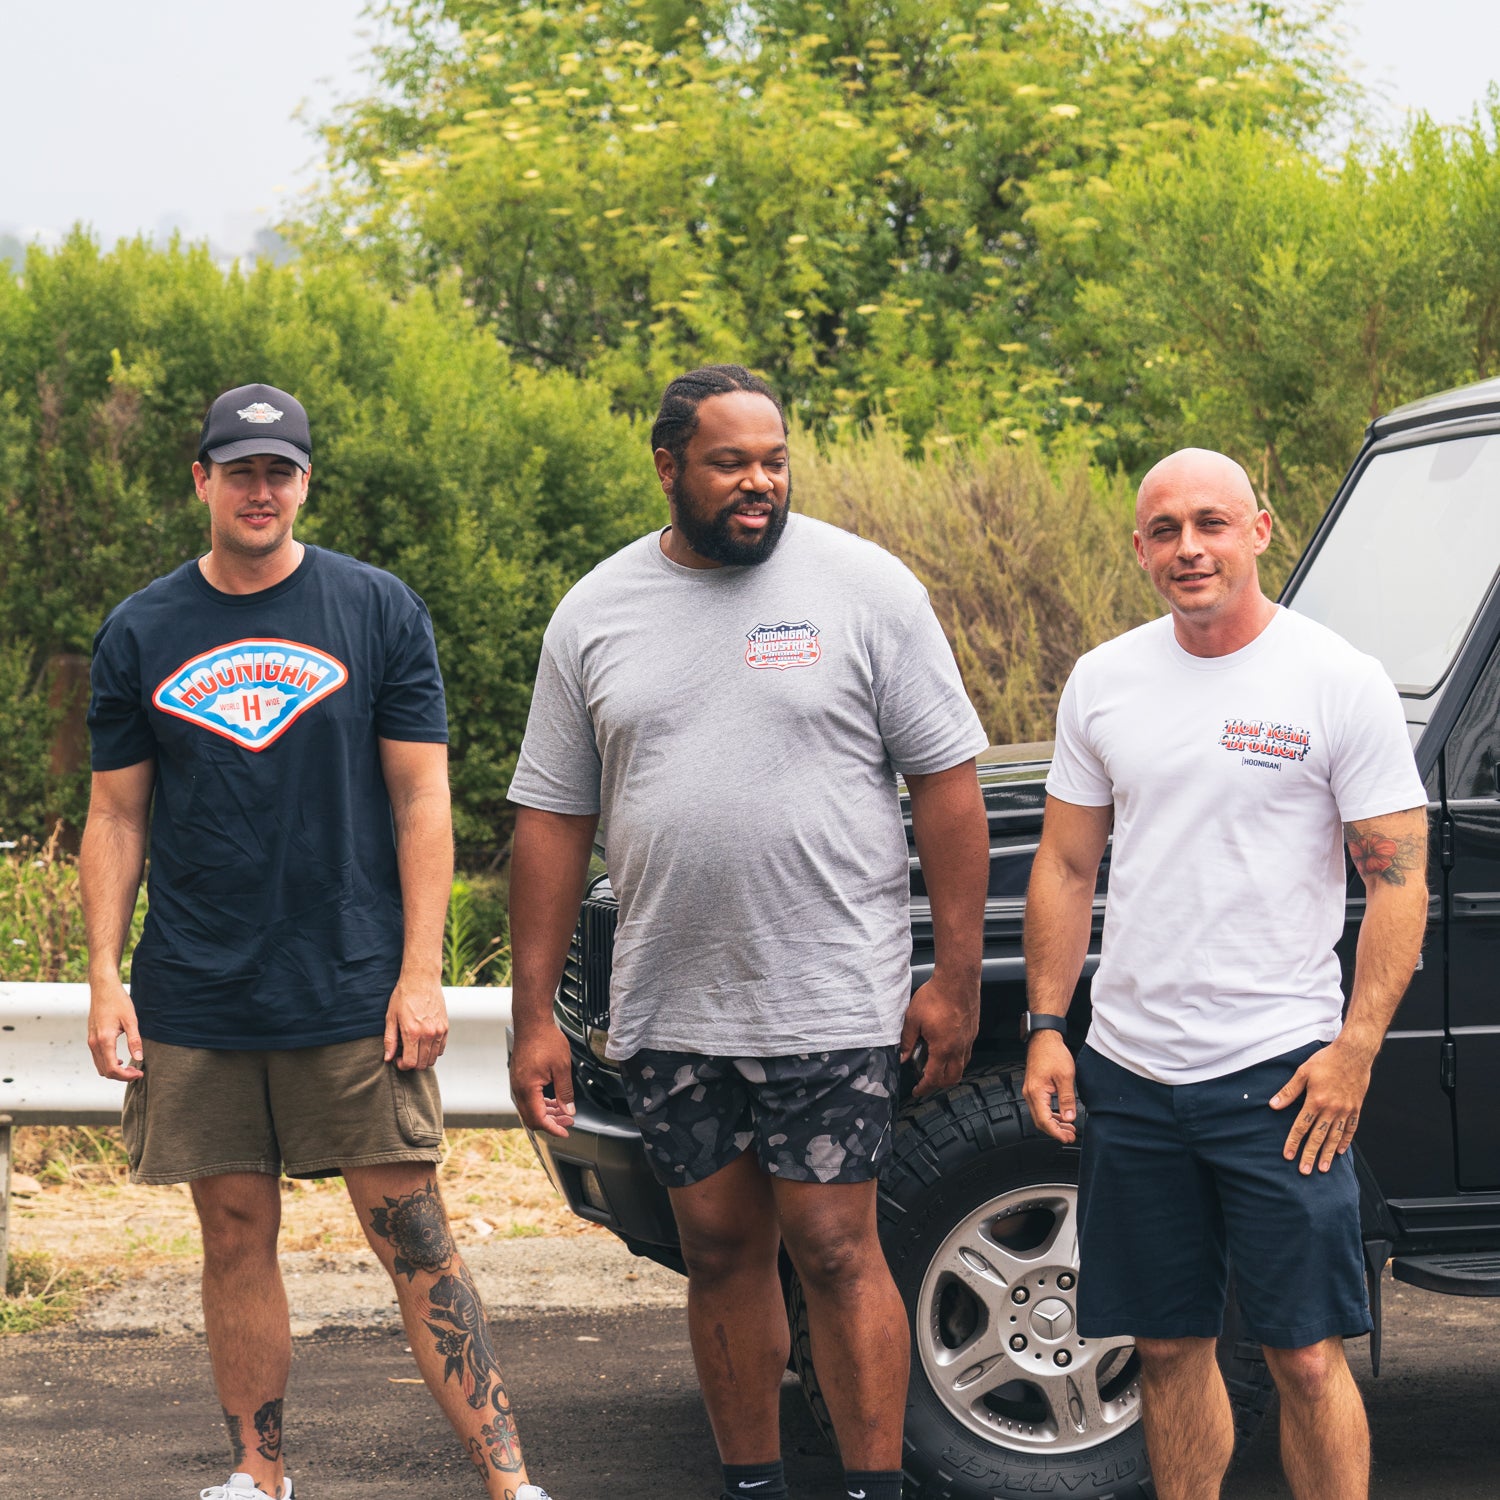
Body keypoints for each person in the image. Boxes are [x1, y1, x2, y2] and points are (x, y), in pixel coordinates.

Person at [506, 365, 991, 1500]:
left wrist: (954, 977)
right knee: (721, 1252)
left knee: (833, 1248)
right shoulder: (596, 611)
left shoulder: (866, 588)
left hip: (830, 994)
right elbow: (551, 818)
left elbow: (948, 787)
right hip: (674, 1003)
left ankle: (873, 1487)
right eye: (731, 463)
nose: (759, 483)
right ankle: (754, 1486)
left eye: (773, 459)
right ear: (669, 467)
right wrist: (535, 1017)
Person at [81, 383, 552, 1500]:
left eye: (279, 471)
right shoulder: (142, 628)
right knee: (235, 1236)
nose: (260, 489)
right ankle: (260, 1475)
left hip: (350, 984)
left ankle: (508, 1477)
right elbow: (115, 814)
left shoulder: (377, 610)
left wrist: (422, 971)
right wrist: (104, 976)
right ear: (200, 479)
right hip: (199, 989)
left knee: (416, 1237)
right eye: (237, 470)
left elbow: (422, 800)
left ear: (305, 482)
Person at [1021, 448, 1428, 1500]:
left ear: (1261, 528)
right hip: (1133, 1075)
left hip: (1281, 1080)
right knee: (1163, 1348)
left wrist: (1356, 1049)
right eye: (1165, 530)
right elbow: (1067, 865)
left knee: (1303, 1353)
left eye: (1211, 522)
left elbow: (1398, 881)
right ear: (1141, 549)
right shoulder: (1105, 680)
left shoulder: (1336, 681)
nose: (1189, 547)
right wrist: (1047, 1026)